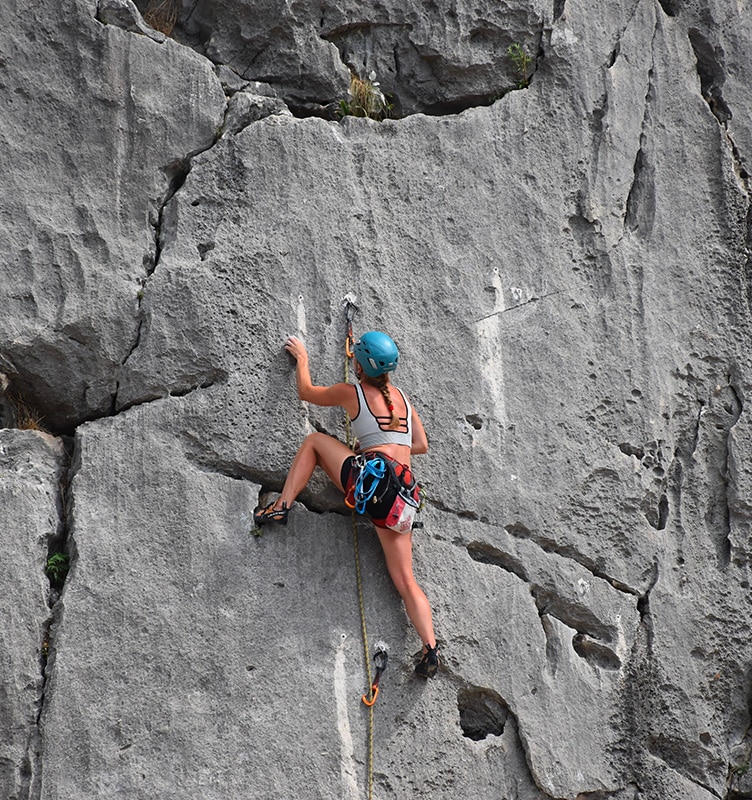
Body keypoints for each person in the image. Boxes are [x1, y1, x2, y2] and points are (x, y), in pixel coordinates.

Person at [253, 331, 440, 678]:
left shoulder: (352, 393)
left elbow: (306, 393)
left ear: (360, 365)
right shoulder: (403, 399)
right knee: (406, 580)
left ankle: (281, 504)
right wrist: (384, 444)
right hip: (400, 501)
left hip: (369, 486)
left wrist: (303, 359)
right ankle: (430, 648)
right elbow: (421, 445)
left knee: (314, 442)